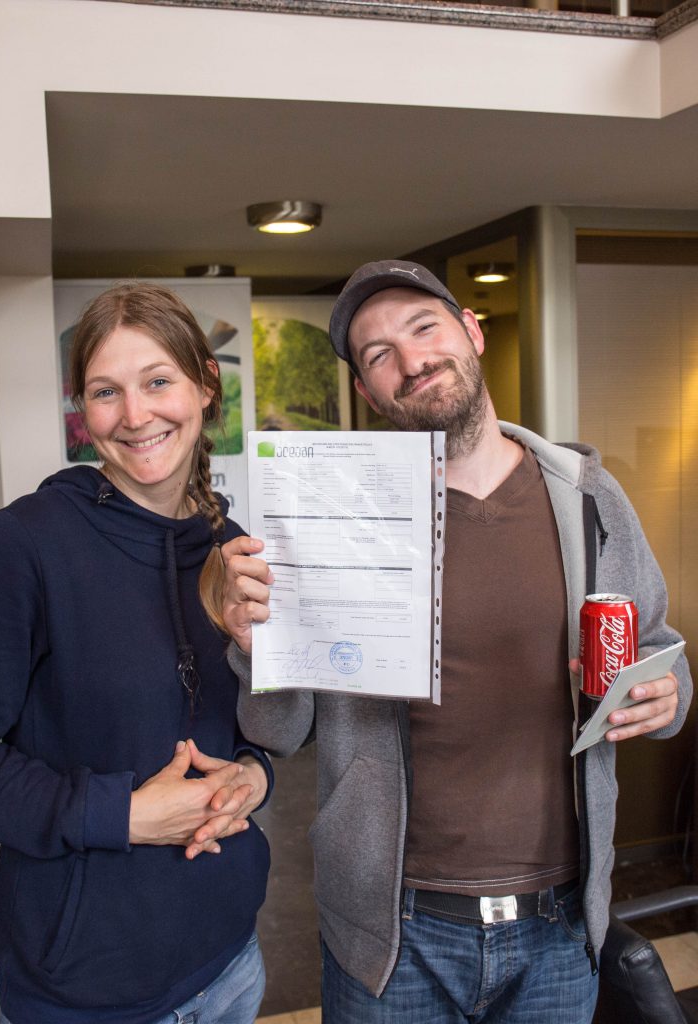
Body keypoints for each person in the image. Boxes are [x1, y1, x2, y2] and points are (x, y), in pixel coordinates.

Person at [221, 259, 693, 1024]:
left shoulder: (587, 497)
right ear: (367, 389)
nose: (411, 361)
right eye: (380, 355)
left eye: (424, 328)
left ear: (471, 331)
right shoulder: (333, 516)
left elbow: (660, 651)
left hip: (558, 925)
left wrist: (666, 696)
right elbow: (276, 728)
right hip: (392, 935)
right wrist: (255, 645)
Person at [0, 282, 272, 1024]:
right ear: (81, 410)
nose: (135, 415)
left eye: (158, 382)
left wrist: (254, 776)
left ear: (206, 386)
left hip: (231, 963)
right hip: (85, 993)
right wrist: (123, 816)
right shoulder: (24, 546)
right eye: (106, 391)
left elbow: (252, 726)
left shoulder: (230, 547)